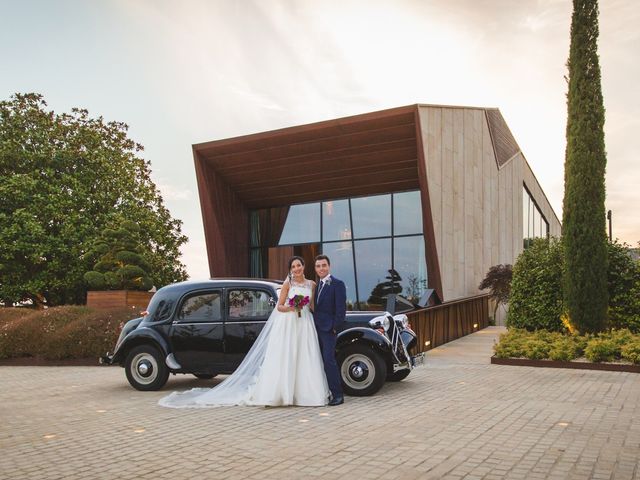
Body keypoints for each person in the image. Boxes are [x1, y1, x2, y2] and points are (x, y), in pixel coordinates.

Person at [158, 256, 329, 408]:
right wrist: (293, 307)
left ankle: (305, 393)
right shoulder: (287, 284)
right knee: (287, 356)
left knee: (305, 356)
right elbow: (280, 306)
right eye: (293, 267)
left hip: (305, 323)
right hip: (289, 323)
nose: (297, 268)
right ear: (291, 269)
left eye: (299, 265)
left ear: (304, 266)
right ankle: (283, 392)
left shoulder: (311, 284)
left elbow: (313, 306)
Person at [313, 255, 346, 406]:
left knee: (329, 360)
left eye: (324, 265)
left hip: (328, 330)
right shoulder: (316, 285)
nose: (321, 268)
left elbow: (341, 310)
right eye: (318, 266)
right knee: (317, 361)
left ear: (329, 266)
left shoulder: (337, 284)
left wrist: (334, 328)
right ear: (315, 268)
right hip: (315, 328)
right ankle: (323, 392)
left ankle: (338, 395)